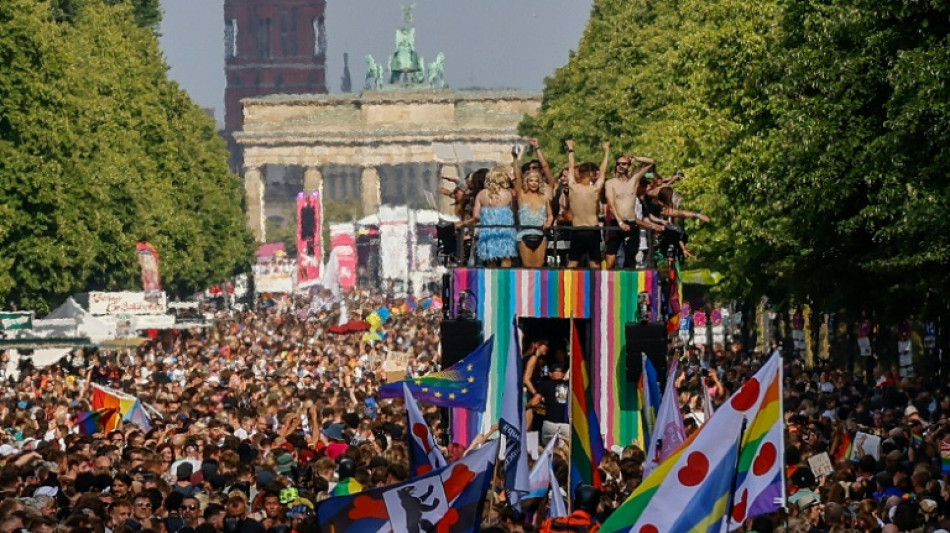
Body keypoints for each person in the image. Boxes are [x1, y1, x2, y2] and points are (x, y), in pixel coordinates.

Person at [604, 153, 658, 269]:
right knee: (611, 259)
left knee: (631, 258)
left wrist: (636, 158)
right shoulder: (611, 183)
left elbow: (651, 161)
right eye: (618, 164)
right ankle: (605, 283)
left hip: (631, 222)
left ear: (629, 166)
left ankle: (628, 284)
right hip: (617, 223)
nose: (620, 166)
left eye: (623, 164)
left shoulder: (633, 181)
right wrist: (620, 222)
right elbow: (611, 204)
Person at [565, 140, 607, 269]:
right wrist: (606, 152)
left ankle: (566, 288)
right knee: (595, 264)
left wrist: (571, 149)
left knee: (572, 262)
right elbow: (603, 172)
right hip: (592, 229)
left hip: (578, 230)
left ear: (580, 174)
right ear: (590, 174)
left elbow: (571, 168)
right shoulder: (594, 189)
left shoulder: (572, 187)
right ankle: (596, 288)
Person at [513, 148, 554, 268]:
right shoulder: (522, 195)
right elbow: (517, 177)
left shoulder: (544, 198)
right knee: (527, 266)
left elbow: (550, 215)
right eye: (531, 180)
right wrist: (515, 159)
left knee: (539, 266)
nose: (534, 183)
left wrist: (549, 222)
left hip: (540, 235)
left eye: (536, 181)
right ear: (527, 182)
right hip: (524, 234)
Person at [472, 165, 517, 267]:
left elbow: (475, 215)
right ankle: (505, 281)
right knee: (506, 258)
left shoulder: (481, 194)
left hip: (487, 230)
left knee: (490, 260)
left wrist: (488, 218)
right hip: (506, 230)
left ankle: (491, 281)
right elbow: (514, 212)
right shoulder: (508, 194)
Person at [530, 363, 569, 446]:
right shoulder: (570, 385)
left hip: (550, 424)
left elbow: (534, 402)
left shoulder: (545, 384)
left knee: (549, 451)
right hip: (566, 425)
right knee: (566, 452)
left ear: (550, 374)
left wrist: (526, 405)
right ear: (563, 374)